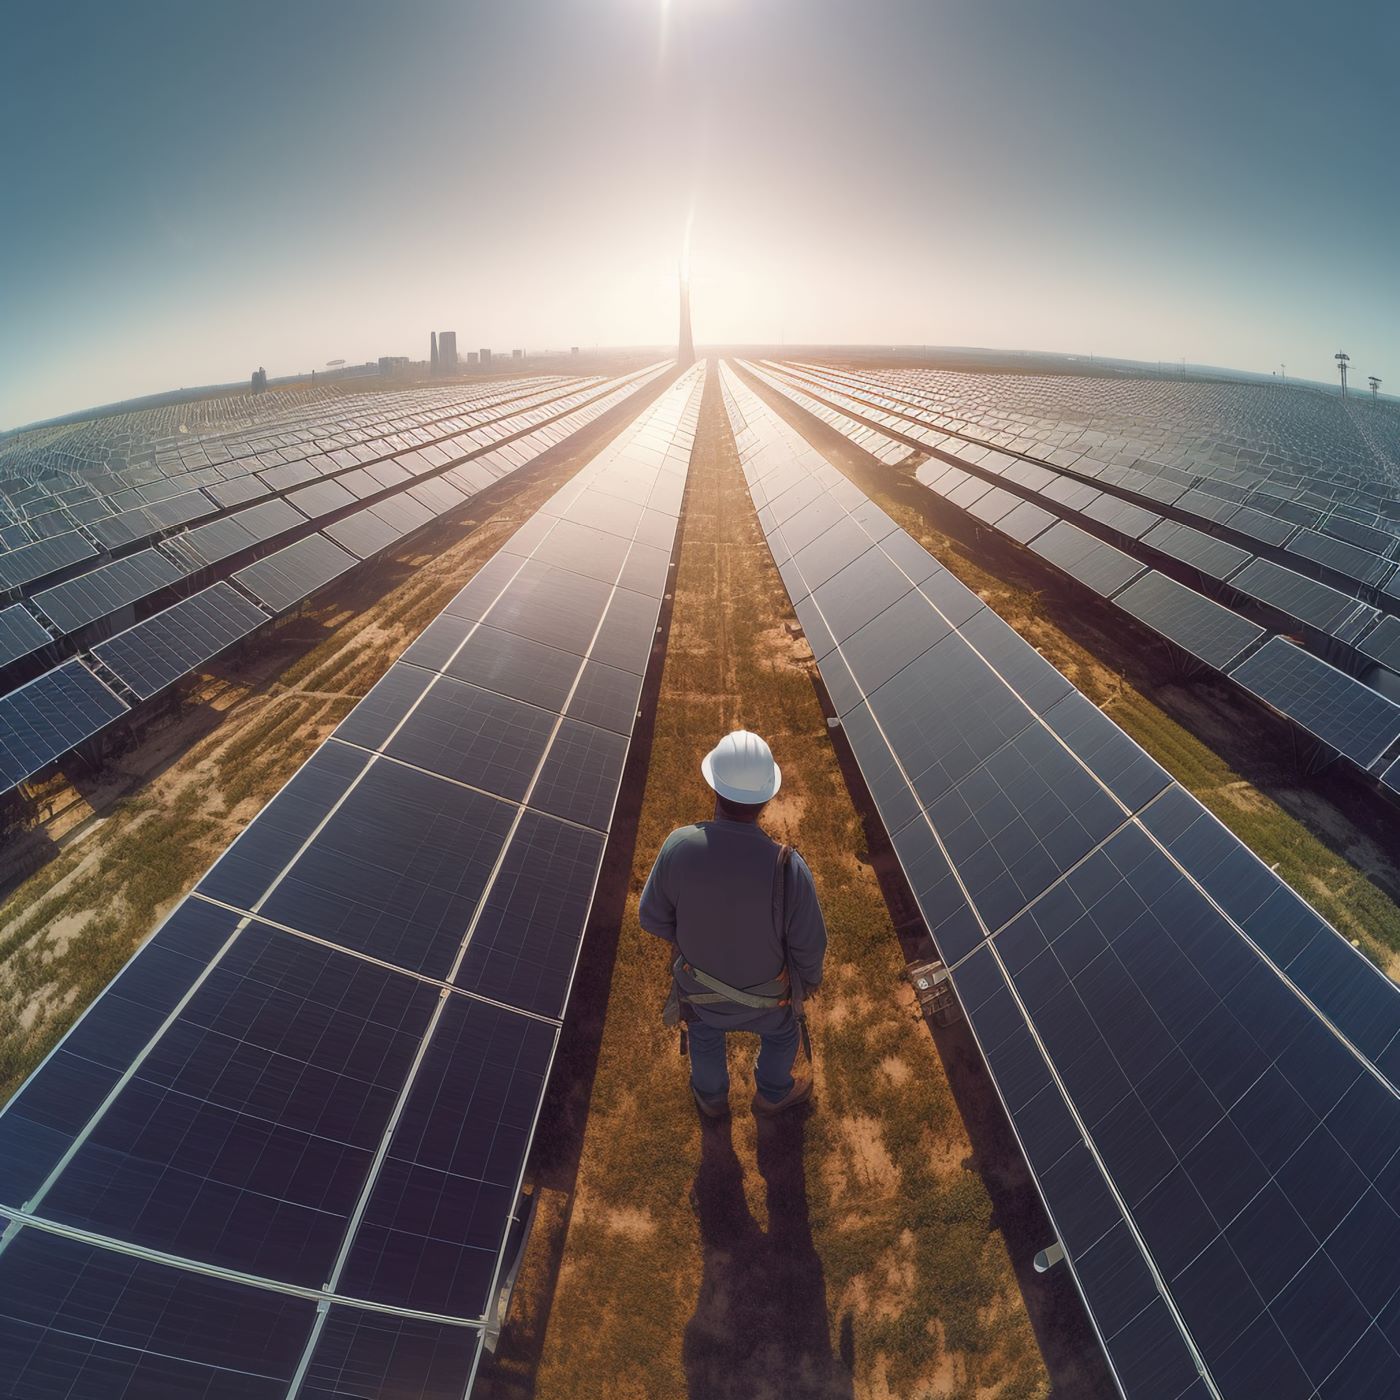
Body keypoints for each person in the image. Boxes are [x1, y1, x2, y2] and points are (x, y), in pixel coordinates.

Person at [640, 730, 828, 1118]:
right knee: (783, 1034)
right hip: (771, 1001)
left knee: (705, 1034)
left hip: (699, 992)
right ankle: (773, 1094)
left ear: (714, 788)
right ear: (767, 799)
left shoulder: (678, 846)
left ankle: (711, 1099)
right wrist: (806, 983)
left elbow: (652, 917)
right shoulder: (789, 868)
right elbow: (810, 945)